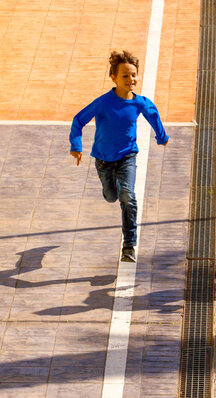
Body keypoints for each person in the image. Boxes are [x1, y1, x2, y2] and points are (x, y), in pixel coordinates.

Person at [69, 50, 169, 262]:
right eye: (125, 75)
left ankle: (129, 246)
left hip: (127, 157)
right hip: (104, 161)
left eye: (133, 75)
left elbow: (153, 114)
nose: (131, 79)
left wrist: (162, 136)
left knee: (127, 196)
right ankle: (110, 187)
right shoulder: (103, 103)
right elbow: (79, 120)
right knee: (111, 196)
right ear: (113, 78)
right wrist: (76, 145)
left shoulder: (139, 102)